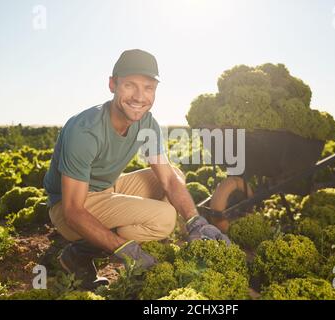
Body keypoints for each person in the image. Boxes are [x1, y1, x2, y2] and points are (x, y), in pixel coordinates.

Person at [43, 49, 230, 290]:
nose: (139, 97)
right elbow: (72, 210)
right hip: (68, 205)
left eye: (149, 87)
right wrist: (123, 248)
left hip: (107, 189)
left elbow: (169, 181)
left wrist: (196, 221)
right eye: (130, 85)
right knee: (164, 217)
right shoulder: (85, 131)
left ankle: (116, 234)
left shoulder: (147, 123)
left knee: (176, 176)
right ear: (112, 84)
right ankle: (80, 252)